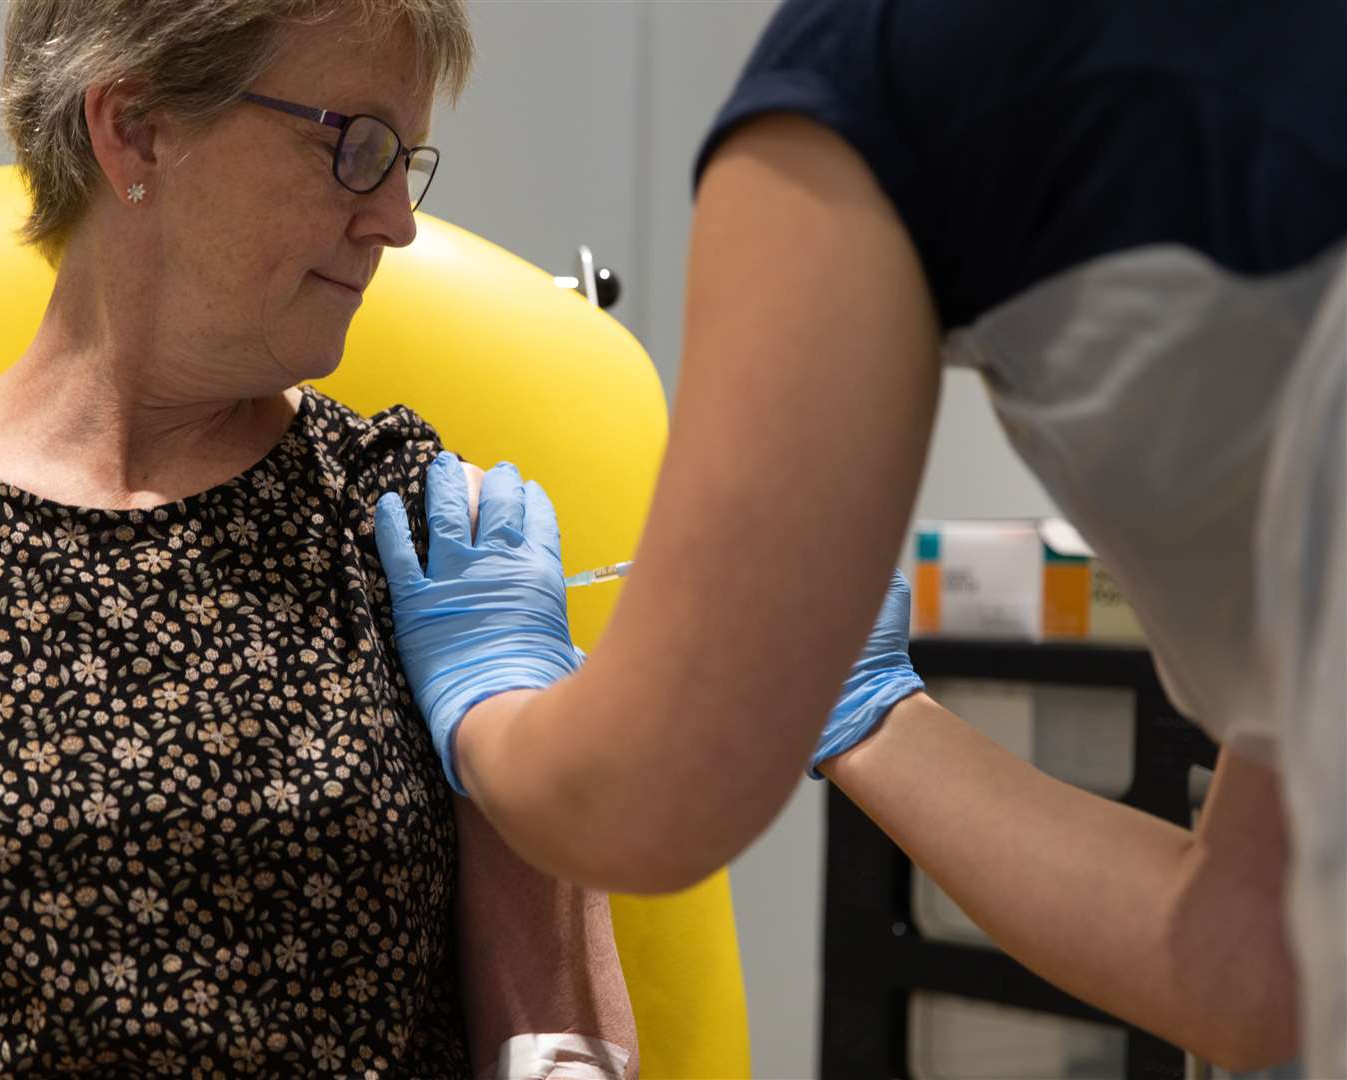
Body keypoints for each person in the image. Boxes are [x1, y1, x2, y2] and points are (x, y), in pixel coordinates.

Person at [373, 1, 1345, 1074]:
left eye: (389, 158)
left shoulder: (879, 67)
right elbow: (1257, 957)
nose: (388, 223)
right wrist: (876, 715)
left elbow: (644, 807)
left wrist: (496, 700)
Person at [0, 1, 638, 1076]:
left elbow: (558, 1040)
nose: (396, 219)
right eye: (355, 148)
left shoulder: (418, 530)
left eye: (407, 162)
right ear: (136, 129)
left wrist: (541, 743)